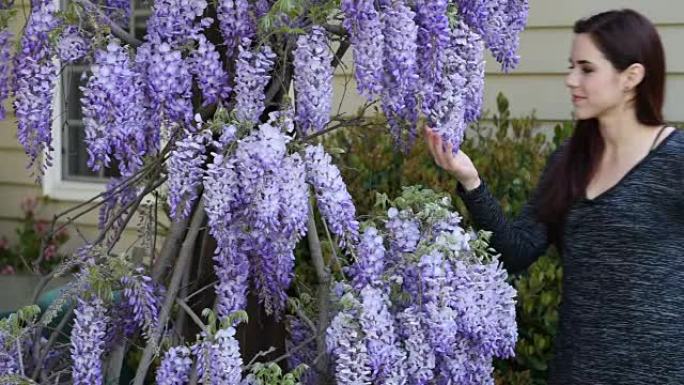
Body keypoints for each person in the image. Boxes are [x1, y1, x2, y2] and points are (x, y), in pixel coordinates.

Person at [425, 9, 683, 385]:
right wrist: (470, 181)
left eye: (586, 69)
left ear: (632, 77)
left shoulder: (674, 159)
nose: (570, 79)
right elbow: (515, 251)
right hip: (575, 372)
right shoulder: (569, 161)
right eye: (570, 66)